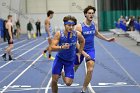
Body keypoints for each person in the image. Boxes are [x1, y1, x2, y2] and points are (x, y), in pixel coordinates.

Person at [75, 6, 115, 93]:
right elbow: (75, 42)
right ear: (85, 14)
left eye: (93, 13)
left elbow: (96, 34)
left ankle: (84, 89)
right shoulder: (79, 27)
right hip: (79, 51)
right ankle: (63, 72)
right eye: (89, 13)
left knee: (90, 70)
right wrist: (82, 53)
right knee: (71, 74)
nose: (91, 15)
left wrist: (107, 39)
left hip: (90, 50)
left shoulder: (93, 24)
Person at [51, 15, 85, 93]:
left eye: (73, 25)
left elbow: (83, 41)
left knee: (68, 83)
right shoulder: (59, 34)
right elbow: (51, 47)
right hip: (59, 59)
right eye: (69, 25)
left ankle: (62, 72)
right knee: (54, 80)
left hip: (70, 61)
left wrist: (79, 52)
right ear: (64, 25)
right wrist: (61, 47)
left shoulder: (77, 34)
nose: (71, 27)